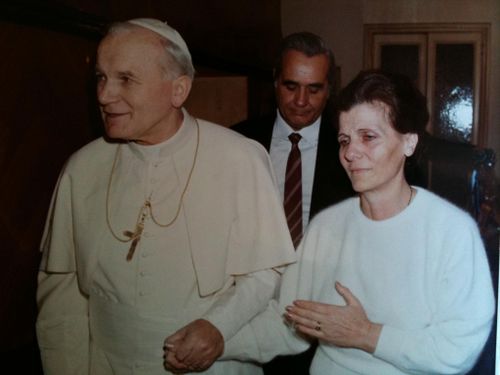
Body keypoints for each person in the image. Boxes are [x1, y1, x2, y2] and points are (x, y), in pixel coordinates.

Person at [35, 18, 296, 375]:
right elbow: (62, 294)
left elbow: (267, 270)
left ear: (178, 90)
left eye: (125, 79)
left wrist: (217, 326)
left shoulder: (240, 158)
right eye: (101, 77)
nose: (104, 95)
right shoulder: (82, 168)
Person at [223, 70, 496, 374]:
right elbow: (290, 324)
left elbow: (457, 350)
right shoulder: (326, 227)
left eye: (368, 137)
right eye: (344, 140)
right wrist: (217, 342)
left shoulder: (453, 232)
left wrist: (365, 334)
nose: (350, 152)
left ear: (409, 142)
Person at [232, 31, 353, 374]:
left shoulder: (352, 152)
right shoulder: (237, 141)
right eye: (290, 86)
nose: (301, 100)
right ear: (274, 81)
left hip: (320, 314)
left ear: (330, 89)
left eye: (314, 89)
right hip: (246, 310)